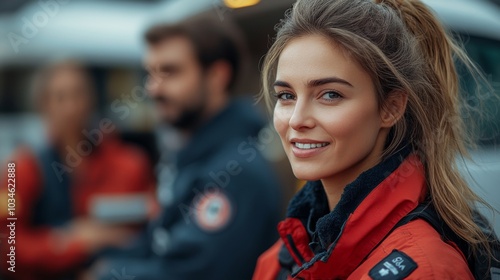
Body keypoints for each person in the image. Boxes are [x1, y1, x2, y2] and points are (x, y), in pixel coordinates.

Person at [252, 0, 497, 279]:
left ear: (391, 107)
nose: (296, 119)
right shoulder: (279, 260)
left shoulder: (426, 267)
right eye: (286, 95)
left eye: (330, 95)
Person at [89, 15, 282, 280]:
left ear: (217, 76)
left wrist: (106, 276)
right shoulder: (192, 156)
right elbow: (160, 242)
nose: (153, 88)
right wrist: (98, 258)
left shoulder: (237, 172)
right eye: (150, 73)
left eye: (170, 71)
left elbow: (192, 272)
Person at [0, 60, 155, 280]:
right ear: (44, 106)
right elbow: (9, 250)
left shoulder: (128, 162)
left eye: (78, 95)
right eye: (60, 97)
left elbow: (151, 225)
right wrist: (71, 242)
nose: (71, 107)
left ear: (92, 100)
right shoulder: (21, 169)